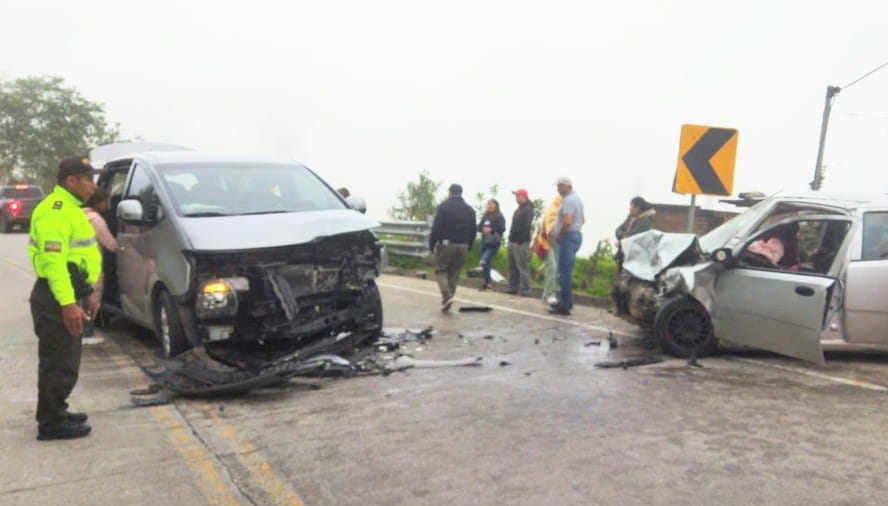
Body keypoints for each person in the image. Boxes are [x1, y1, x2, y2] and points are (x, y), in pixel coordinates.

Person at [27, 157, 102, 440]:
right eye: (88, 179)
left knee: (66, 359)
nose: (93, 186)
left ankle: (57, 409)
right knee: (58, 361)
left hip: (69, 291)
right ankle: (51, 423)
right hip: (56, 296)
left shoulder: (70, 209)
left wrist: (88, 292)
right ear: (71, 181)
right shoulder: (55, 211)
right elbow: (55, 263)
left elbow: (77, 256)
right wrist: (68, 304)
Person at [428, 184, 476, 311]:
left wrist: (432, 245)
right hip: (463, 245)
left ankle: (447, 296)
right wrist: (469, 245)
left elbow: (436, 228)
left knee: (440, 270)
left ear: (450, 192)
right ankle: (449, 299)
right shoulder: (470, 210)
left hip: (447, 244)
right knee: (455, 273)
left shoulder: (443, 207)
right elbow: (473, 230)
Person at [81, 187, 118, 345]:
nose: (108, 205)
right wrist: (124, 248)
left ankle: (81, 333)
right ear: (98, 202)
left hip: (78, 263)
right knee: (92, 299)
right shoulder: (96, 220)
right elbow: (110, 244)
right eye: (105, 201)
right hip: (93, 265)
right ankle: (87, 334)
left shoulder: (80, 215)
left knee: (81, 298)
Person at [549, 177, 585, 316]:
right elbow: (582, 220)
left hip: (568, 237)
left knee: (564, 273)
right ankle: (566, 301)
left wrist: (559, 235)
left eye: (559, 186)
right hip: (575, 235)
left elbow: (568, 221)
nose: (557, 189)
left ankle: (564, 306)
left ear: (566, 186)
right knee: (566, 271)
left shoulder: (569, 200)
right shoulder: (577, 199)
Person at [614, 196, 656, 272]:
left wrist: (622, 240)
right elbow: (618, 230)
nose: (629, 208)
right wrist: (623, 236)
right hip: (624, 254)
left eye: (631, 206)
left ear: (637, 207)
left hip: (635, 257)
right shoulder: (629, 219)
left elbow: (633, 235)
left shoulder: (645, 221)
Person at [535, 194, 563, 305]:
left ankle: (547, 294)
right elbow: (551, 229)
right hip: (547, 242)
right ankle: (549, 294)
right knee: (552, 267)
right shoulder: (553, 210)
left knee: (553, 268)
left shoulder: (560, 211)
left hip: (554, 242)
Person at [507, 189, 535, 296]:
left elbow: (526, 227)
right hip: (512, 241)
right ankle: (513, 287)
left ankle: (526, 289)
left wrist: (520, 240)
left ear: (525, 197)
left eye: (519, 196)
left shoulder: (528, 210)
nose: (517, 198)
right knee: (512, 266)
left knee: (522, 266)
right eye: (516, 196)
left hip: (521, 242)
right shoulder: (518, 210)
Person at [477, 199, 505, 290]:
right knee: (486, 264)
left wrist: (491, 230)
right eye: (488, 204)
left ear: (496, 205)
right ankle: (487, 282)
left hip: (493, 242)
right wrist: (483, 229)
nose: (490, 206)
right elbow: (478, 227)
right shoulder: (485, 216)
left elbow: (502, 228)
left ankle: (487, 281)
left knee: (484, 260)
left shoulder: (499, 216)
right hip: (484, 241)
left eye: (492, 204)